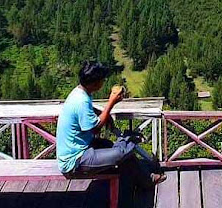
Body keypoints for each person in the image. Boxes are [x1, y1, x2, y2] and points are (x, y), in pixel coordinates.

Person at [56, 61, 166, 189]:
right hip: (74, 162)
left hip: (82, 148)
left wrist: (104, 114)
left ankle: (147, 178)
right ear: (95, 82)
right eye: (102, 80)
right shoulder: (81, 101)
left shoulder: (79, 93)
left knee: (113, 147)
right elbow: (95, 129)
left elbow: (89, 111)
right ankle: (130, 139)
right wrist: (111, 102)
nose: (103, 82)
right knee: (120, 153)